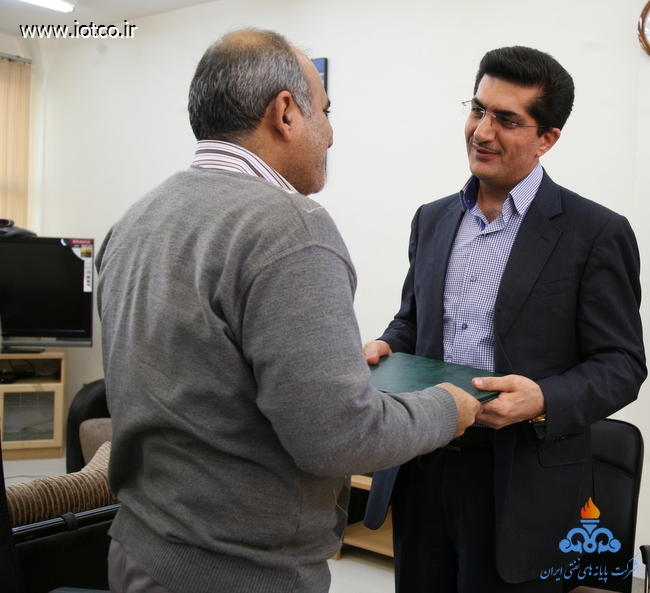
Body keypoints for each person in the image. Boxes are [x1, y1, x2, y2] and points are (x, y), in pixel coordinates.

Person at [96, 28, 481, 593]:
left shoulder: (135, 218)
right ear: (285, 113)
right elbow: (339, 437)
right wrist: (449, 407)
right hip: (238, 574)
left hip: (138, 550)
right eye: (325, 111)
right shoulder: (291, 228)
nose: (331, 134)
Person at [363, 46, 646, 593]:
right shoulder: (431, 219)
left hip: (522, 486)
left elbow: (622, 364)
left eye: (507, 120)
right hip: (423, 462)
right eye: (478, 109)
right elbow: (412, 323)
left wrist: (542, 399)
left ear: (548, 138)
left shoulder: (595, 233)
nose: (482, 131)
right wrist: (387, 345)